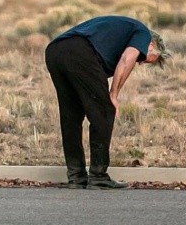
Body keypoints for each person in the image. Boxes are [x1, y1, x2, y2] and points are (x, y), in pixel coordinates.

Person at [44, 15, 170, 189]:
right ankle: (98, 176)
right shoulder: (143, 33)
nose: (140, 62)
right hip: (78, 51)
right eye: (143, 59)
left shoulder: (123, 31)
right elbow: (127, 60)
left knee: (71, 116)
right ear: (151, 45)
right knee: (105, 111)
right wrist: (113, 95)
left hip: (55, 51)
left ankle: (76, 177)